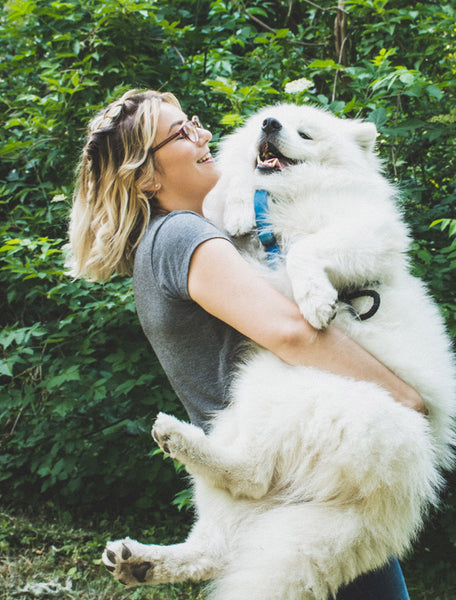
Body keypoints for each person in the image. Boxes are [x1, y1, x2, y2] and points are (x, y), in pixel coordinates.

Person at [68, 89, 425, 599]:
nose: (204, 133)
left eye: (193, 121)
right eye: (182, 132)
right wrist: (402, 396)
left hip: (277, 467)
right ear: (147, 175)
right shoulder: (184, 234)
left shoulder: (166, 239)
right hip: (298, 463)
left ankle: (199, 553)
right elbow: (292, 332)